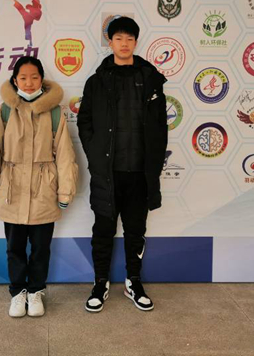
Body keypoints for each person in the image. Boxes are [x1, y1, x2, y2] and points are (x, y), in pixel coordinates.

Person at [77, 16, 167, 312]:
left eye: (129, 39)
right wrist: (94, 154)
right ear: (111, 42)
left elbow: (160, 127)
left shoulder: (151, 79)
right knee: (103, 230)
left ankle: (133, 281)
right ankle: (100, 282)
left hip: (139, 173)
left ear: (136, 42)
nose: (124, 43)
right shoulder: (97, 82)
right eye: (119, 38)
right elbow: (85, 121)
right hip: (108, 173)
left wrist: (154, 162)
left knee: (135, 230)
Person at [0, 56, 78, 318]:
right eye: (23, 77)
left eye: (34, 77)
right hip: (11, 192)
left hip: (43, 191)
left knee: (40, 248)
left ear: (42, 80)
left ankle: (35, 291)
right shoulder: (4, 111)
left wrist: (65, 191)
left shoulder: (54, 112)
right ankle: (17, 292)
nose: (29, 82)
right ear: (15, 80)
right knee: (14, 248)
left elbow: (65, 154)